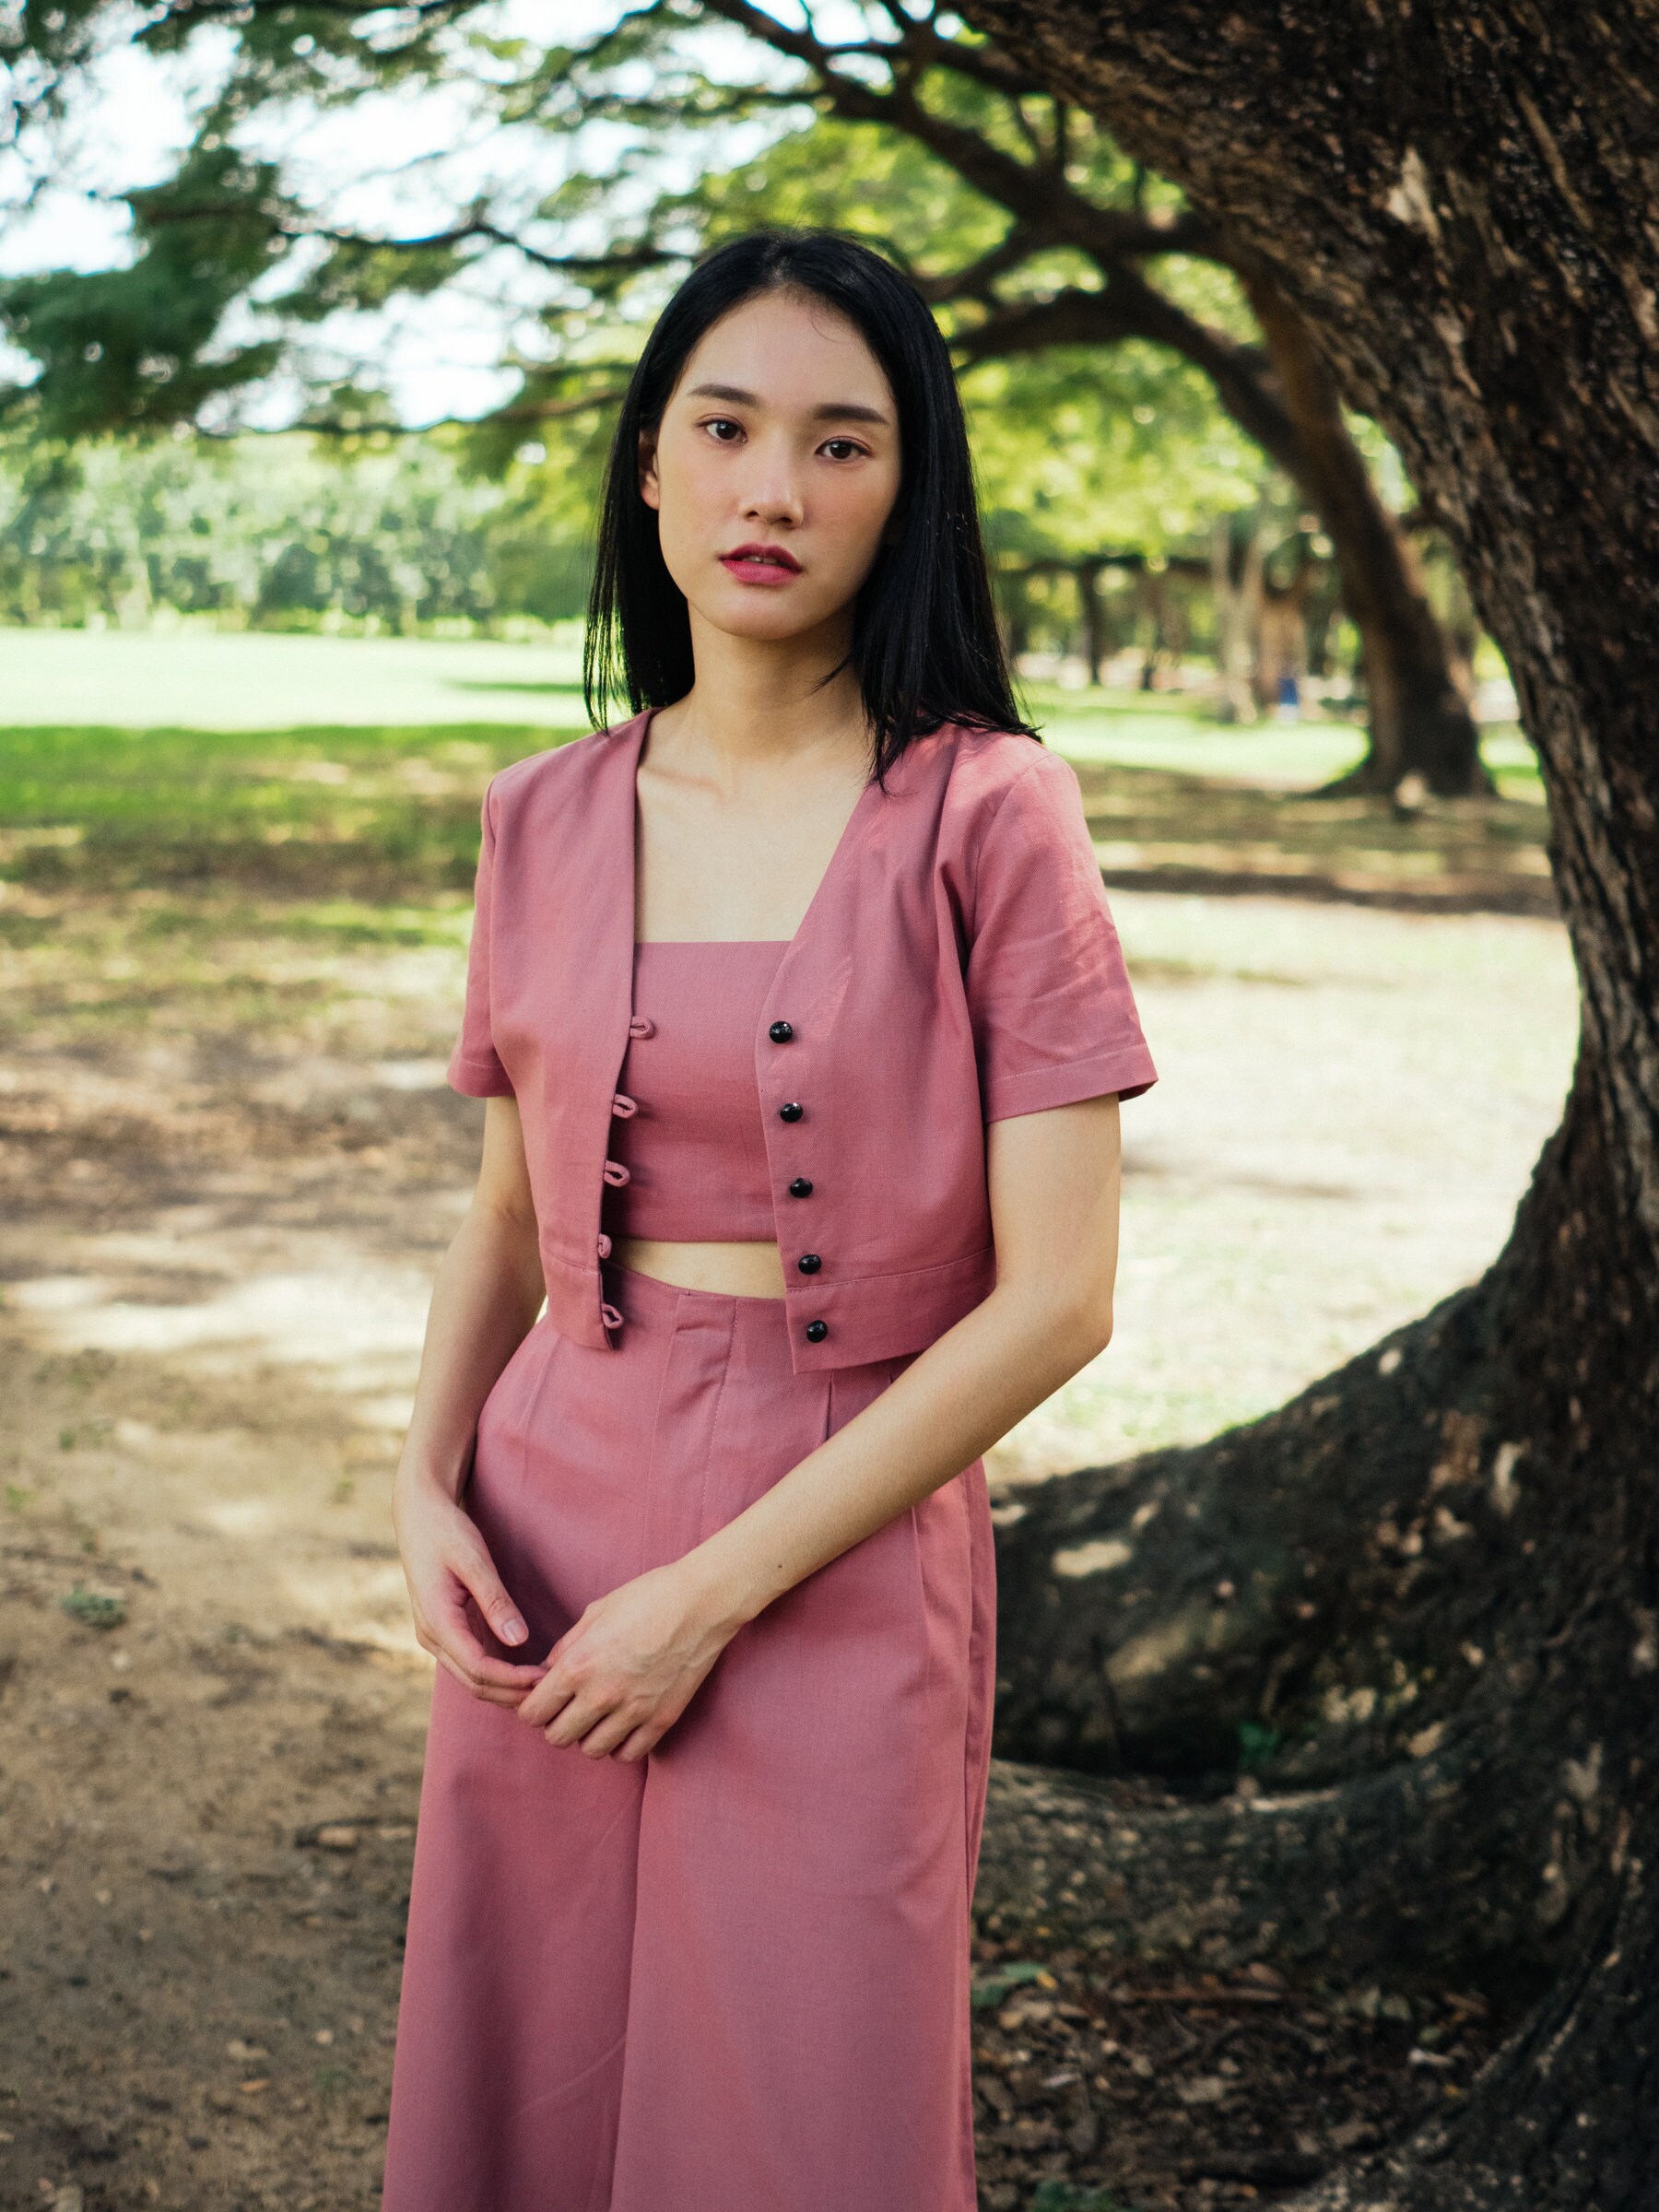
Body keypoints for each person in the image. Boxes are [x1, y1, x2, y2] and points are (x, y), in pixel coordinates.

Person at [381, 227, 1158, 2212]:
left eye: (841, 444)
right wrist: (421, 1483)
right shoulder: (538, 813)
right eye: (724, 429)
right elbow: (503, 1211)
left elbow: (1059, 1299)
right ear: (651, 463)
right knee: (529, 2077)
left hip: (841, 1534)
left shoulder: (995, 812)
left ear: (908, 492)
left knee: (808, 2114)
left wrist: (713, 1591)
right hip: (550, 1516)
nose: (771, 490)